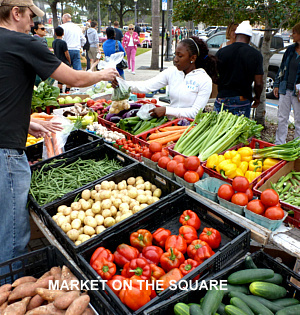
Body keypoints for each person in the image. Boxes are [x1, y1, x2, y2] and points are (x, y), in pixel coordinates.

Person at [0, 0, 118, 270]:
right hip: (5, 152)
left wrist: (25, 122)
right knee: (13, 236)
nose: (34, 24)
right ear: (16, 13)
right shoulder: (24, 42)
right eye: (31, 16)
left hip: (6, 140)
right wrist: (102, 74)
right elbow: (74, 80)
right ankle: (9, 292)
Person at [114, 36, 218, 119]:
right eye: (175, 55)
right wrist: (122, 83)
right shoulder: (172, 72)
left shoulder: (204, 80)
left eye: (180, 56)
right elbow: (147, 86)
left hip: (190, 130)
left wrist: (167, 110)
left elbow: (195, 113)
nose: (175, 59)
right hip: (169, 124)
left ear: (193, 58)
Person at [214, 21, 264, 118]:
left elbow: (214, 75)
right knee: (239, 131)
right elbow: (258, 83)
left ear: (236, 35)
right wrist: (257, 98)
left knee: (219, 130)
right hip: (242, 99)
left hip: (222, 97)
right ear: (250, 37)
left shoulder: (222, 52)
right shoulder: (256, 55)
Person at [274, 22, 300, 144]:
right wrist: (277, 84)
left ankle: (297, 147)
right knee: (282, 118)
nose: (292, 35)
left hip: (298, 93)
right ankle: (279, 144)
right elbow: (282, 68)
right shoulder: (290, 49)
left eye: (294, 32)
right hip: (285, 89)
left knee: (299, 120)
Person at [52, 26, 71, 93]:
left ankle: (60, 92)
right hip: (64, 62)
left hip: (58, 62)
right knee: (69, 78)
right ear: (63, 33)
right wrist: (69, 61)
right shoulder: (63, 43)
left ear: (55, 33)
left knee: (60, 79)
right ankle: (67, 91)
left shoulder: (54, 42)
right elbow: (66, 53)